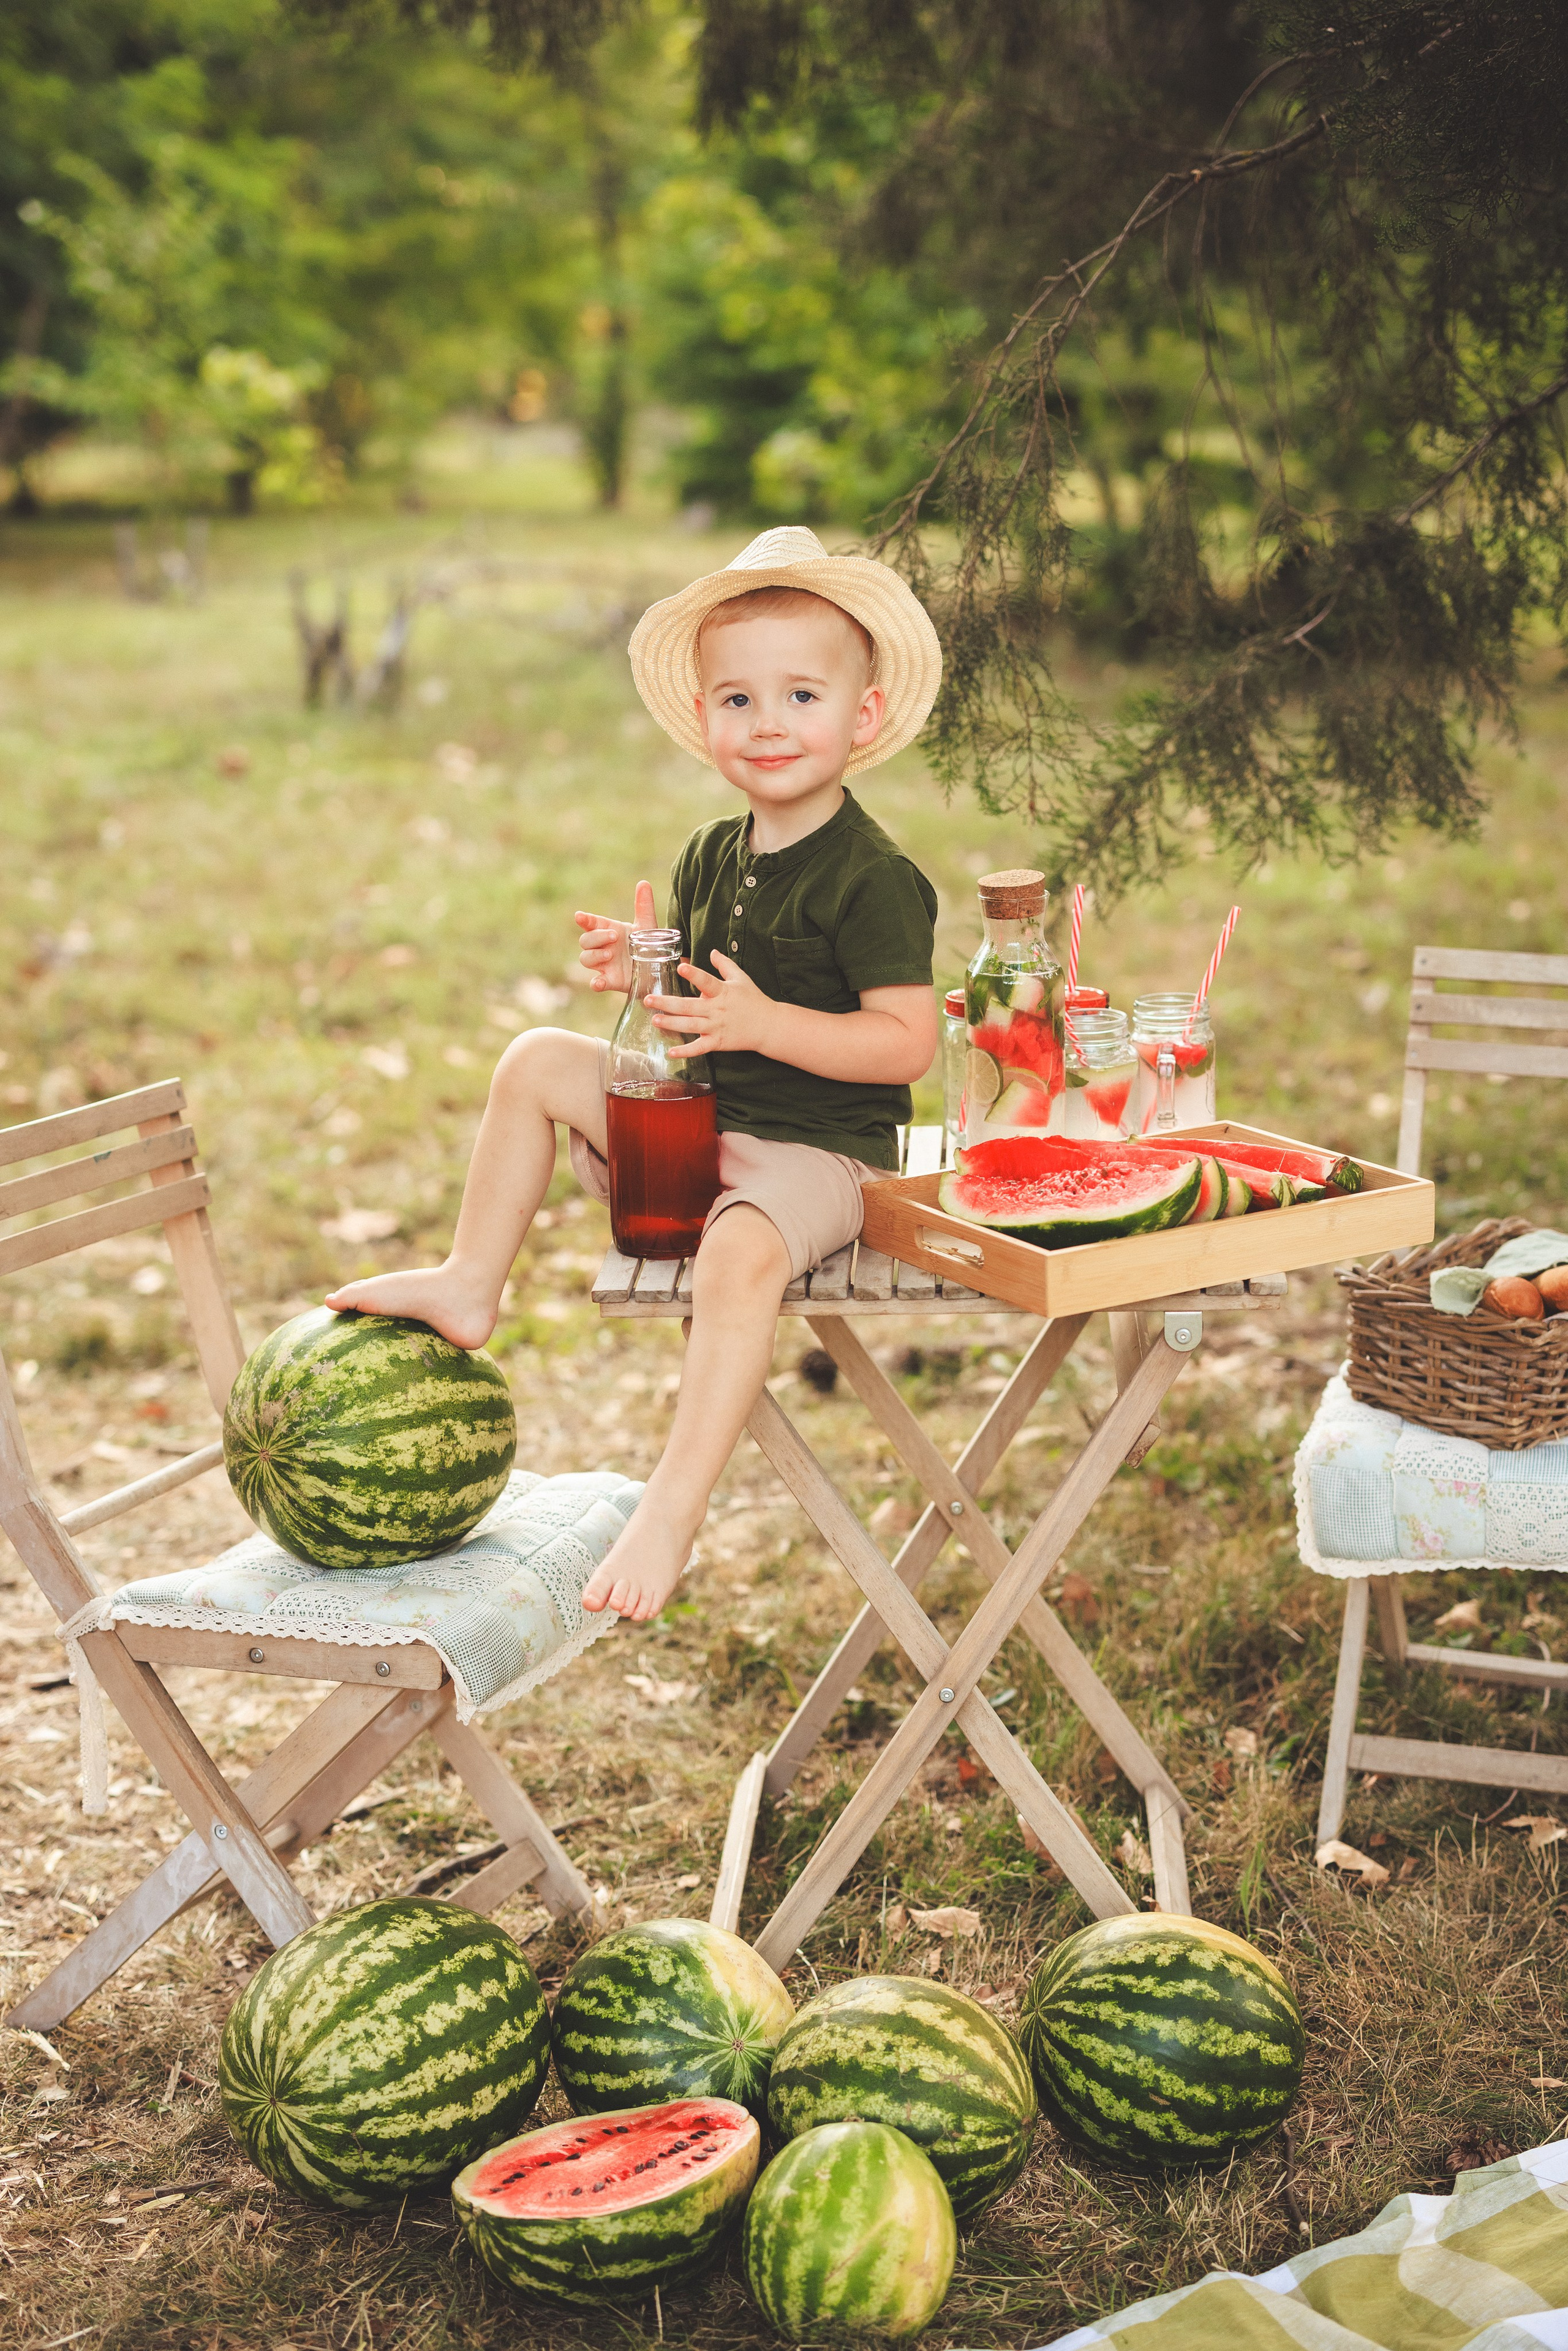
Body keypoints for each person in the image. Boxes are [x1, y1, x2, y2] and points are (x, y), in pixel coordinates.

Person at [326, 526, 943, 1623]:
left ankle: (671, 1504)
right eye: (737, 700)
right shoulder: (711, 851)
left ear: (864, 717)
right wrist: (640, 958)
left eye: (802, 696)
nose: (767, 725)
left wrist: (765, 1020)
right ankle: (473, 1281)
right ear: (703, 717)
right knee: (535, 1061)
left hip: (818, 1160)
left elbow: (905, 1043)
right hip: (700, 1135)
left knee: (744, 1251)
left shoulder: (876, 877)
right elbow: (693, 1001)